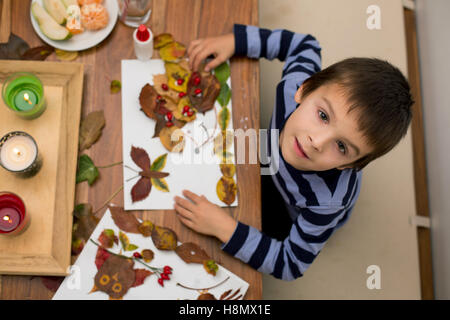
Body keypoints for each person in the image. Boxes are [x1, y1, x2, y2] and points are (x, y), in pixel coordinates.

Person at [173, 24, 413, 280]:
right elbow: (305, 44)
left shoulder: (326, 202)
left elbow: (290, 264)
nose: (316, 142)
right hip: (271, 161)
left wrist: (225, 228)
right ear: (304, 89)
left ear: (350, 165)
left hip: (294, 208)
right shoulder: (293, 84)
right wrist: (235, 41)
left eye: (341, 146)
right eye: (323, 115)